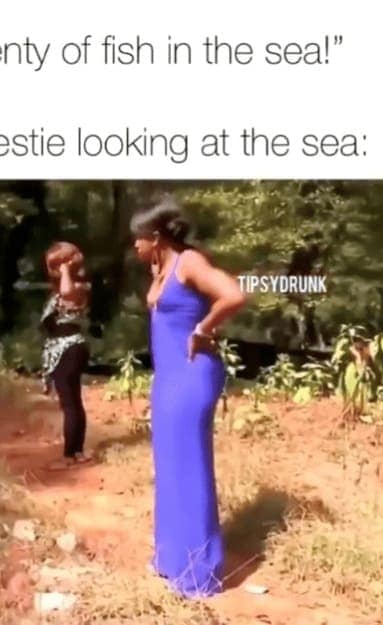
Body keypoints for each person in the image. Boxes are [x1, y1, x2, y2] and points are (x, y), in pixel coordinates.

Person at [130, 195, 246, 598]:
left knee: (190, 465)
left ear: (156, 237)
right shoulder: (160, 268)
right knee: (169, 466)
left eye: (139, 237)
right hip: (167, 377)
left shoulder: (189, 262)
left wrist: (203, 328)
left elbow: (233, 295)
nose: (134, 245)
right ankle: (171, 559)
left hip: (193, 374)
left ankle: (198, 574)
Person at [40, 241, 92, 470]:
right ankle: (77, 451)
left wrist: (65, 271)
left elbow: (67, 293)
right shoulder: (65, 287)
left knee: (70, 404)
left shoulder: (76, 287)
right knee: (74, 403)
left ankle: (69, 455)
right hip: (68, 348)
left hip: (68, 349)